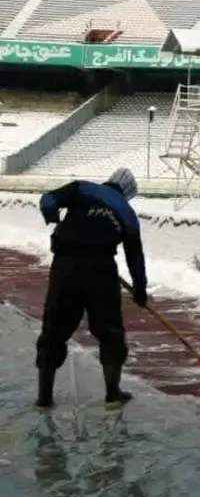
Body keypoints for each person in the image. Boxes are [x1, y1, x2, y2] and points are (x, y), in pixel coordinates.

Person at [35, 167, 148, 411]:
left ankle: (44, 398)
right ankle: (113, 395)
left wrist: (53, 218)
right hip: (101, 269)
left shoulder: (81, 188)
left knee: (54, 328)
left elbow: (48, 200)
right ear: (127, 192)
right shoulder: (127, 213)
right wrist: (140, 289)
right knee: (110, 331)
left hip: (65, 266)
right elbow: (135, 257)